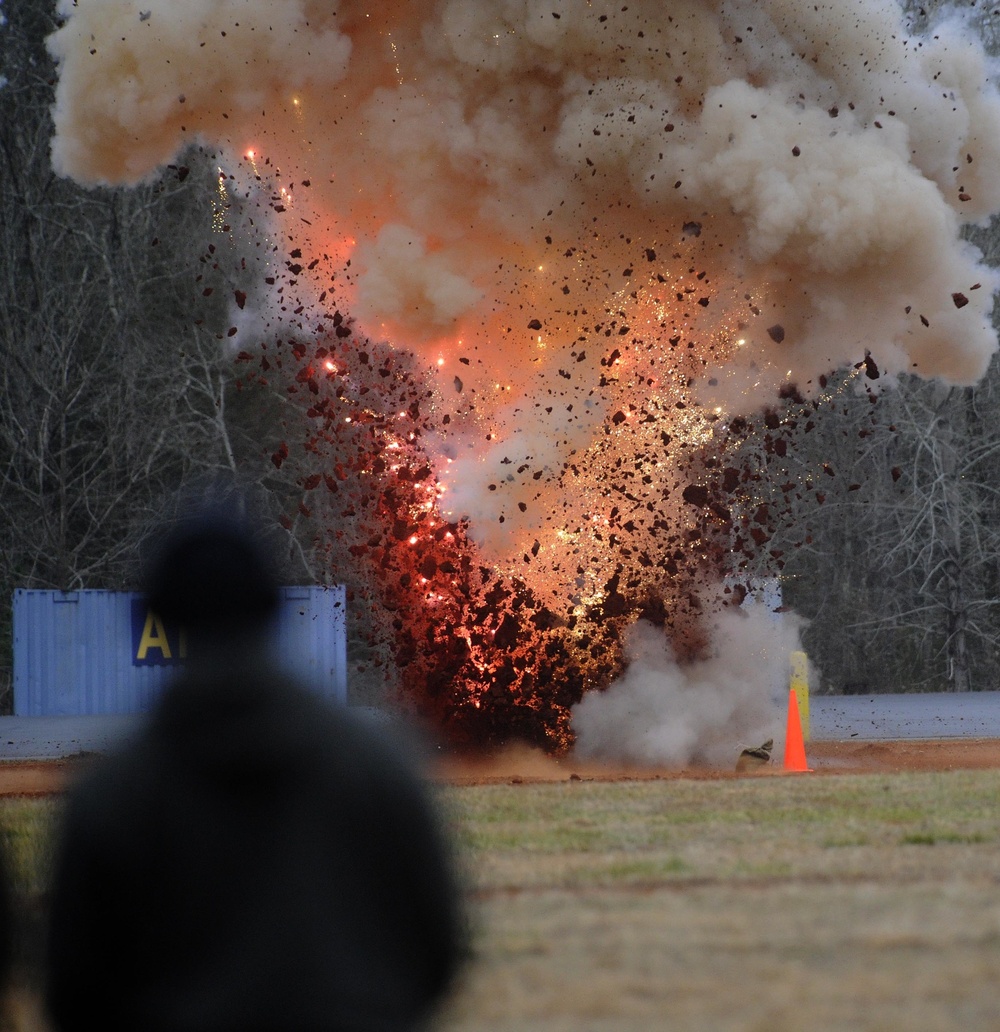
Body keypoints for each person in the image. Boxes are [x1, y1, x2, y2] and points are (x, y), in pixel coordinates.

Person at [45, 504, 463, 1031]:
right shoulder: (375, 762)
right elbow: (435, 953)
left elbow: (74, 994)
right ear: (271, 611)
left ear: (159, 618)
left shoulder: (109, 794)